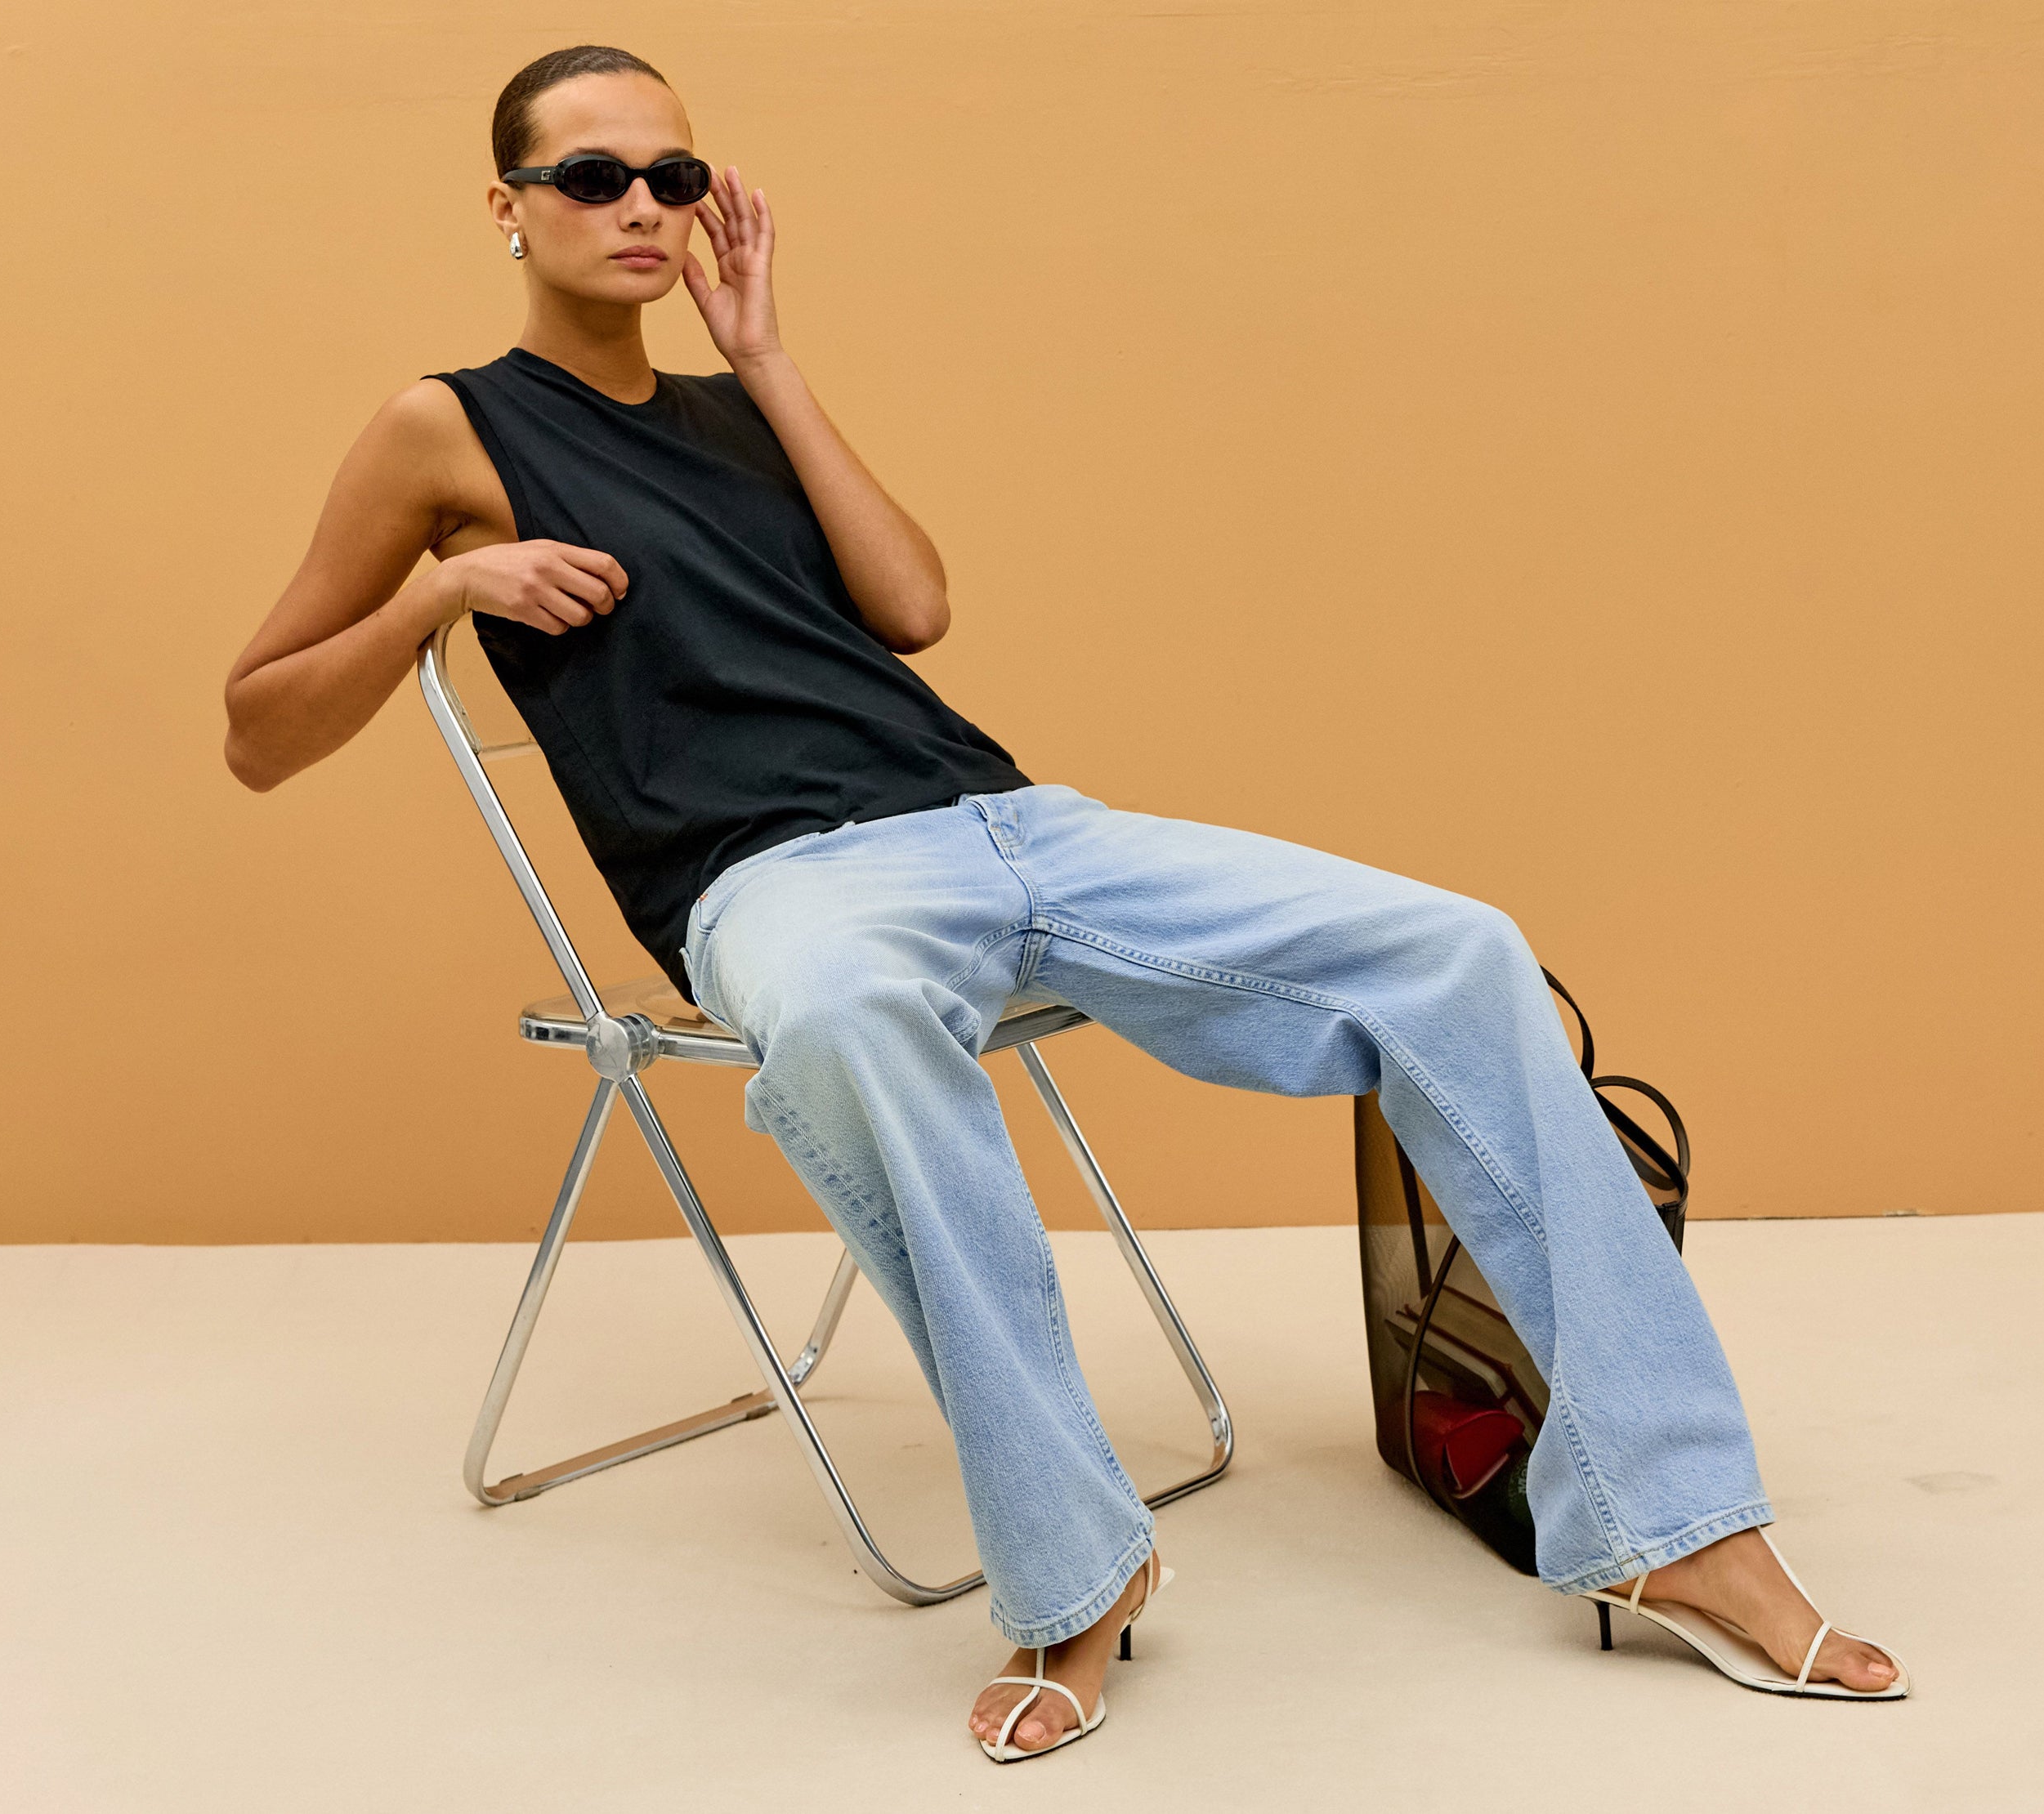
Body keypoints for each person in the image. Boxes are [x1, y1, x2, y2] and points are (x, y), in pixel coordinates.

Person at [221, 43, 1908, 1759]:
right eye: (593, 177)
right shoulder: (448, 424)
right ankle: (1076, 1576)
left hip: (1008, 825)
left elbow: (914, 606)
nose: (644, 207)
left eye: (672, 173)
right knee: (855, 1023)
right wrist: (446, 587)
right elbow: (258, 728)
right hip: (778, 887)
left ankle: (1680, 1530)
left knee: (1455, 949)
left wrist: (774, 364)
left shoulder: (740, 405)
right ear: (505, 206)